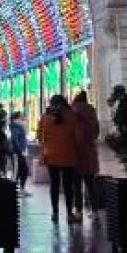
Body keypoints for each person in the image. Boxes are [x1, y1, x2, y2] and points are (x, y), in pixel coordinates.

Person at [37, 94, 80, 224]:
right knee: (68, 186)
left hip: (51, 156)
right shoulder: (72, 116)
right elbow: (78, 136)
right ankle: (69, 213)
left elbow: (39, 134)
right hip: (69, 156)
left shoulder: (45, 117)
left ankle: (55, 212)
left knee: (54, 185)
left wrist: (47, 146)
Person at [71, 90, 100, 213]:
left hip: (76, 153)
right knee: (90, 183)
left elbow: (70, 132)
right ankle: (95, 210)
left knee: (76, 184)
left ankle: (78, 210)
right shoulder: (92, 112)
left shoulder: (73, 112)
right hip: (89, 152)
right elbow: (97, 132)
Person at [8, 111, 30, 194]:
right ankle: (15, 189)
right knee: (18, 171)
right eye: (21, 117)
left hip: (19, 152)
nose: (23, 118)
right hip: (17, 152)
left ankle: (21, 189)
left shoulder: (18, 126)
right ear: (17, 118)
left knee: (22, 170)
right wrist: (20, 150)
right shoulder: (16, 127)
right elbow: (15, 139)